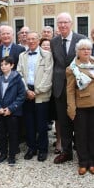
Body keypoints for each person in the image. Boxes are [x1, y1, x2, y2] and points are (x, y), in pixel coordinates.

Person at [51, 12, 86, 164]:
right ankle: (66, 152)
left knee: (79, 121)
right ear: (57, 25)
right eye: (60, 23)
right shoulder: (54, 42)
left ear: (71, 24)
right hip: (59, 87)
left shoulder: (81, 39)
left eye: (65, 22)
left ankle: (82, 152)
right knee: (63, 122)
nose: (63, 25)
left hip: (77, 88)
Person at [17, 31, 53, 162]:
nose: (31, 41)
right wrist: (26, 91)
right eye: (29, 39)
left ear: (38, 40)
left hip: (41, 93)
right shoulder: (22, 56)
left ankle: (43, 149)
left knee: (42, 124)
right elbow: (19, 73)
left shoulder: (47, 55)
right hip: (27, 93)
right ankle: (31, 147)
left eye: (34, 39)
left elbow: (48, 75)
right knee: (29, 123)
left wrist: (36, 91)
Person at [0, 56, 26, 166]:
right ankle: (3, 154)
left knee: (13, 134)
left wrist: (11, 108)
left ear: (12, 65)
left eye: (6, 64)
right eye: (1, 65)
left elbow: (21, 95)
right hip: (0, 111)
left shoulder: (17, 78)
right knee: (1, 134)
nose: (3, 66)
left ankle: (12, 156)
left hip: (12, 112)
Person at [66, 39, 94, 175]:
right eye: (83, 49)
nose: (86, 51)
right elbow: (70, 90)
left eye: (88, 49)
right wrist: (71, 108)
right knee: (81, 135)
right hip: (81, 106)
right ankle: (83, 162)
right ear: (77, 52)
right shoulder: (72, 68)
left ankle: (92, 161)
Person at [40, 38, 62, 154]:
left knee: (58, 118)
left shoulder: (56, 58)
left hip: (55, 91)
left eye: (48, 46)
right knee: (43, 118)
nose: (46, 47)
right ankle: (42, 142)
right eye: (44, 45)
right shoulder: (38, 58)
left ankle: (59, 141)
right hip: (42, 92)